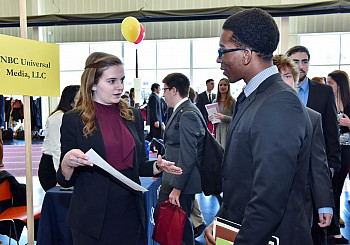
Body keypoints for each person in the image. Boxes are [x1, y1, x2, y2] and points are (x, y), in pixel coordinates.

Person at [204, 8, 313, 244]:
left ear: (245, 55)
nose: (218, 59)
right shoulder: (254, 97)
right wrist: (222, 221)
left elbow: (269, 199)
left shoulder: (279, 102)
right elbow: (242, 180)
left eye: (222, 51)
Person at [56, 52, 182, 245]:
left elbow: (138, 165)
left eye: (122, 80)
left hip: (130, 212)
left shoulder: (133, 115)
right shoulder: (74, 119)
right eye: (112, 81)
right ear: (93, 84)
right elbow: (64, 181)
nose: (120, 87)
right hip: (93, 219)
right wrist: (67, 162)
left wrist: (158, 166)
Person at [273, 54, 334, 244]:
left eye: (288, 76)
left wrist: (324, 204)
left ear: (296, 81)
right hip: (261, 202)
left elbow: (318, 163)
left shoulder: (312, 117)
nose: (283, 81)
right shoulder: (253, 114)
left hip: (299, 203)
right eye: (278, 76)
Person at [286, 45, 342, 244]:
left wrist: (333, 165)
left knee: (316, 226)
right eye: (295, 61)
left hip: (317, 167)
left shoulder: (323, 92)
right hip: (290, 171)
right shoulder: (279, 95)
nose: (300, 66)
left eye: (304, 61)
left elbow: (331, 131)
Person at [155, 73, 206, 245]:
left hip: (181, 182)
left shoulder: (187, 114)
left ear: (174, 90)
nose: (163, 94)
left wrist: (177, 188)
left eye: (165, 90)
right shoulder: (183, 111)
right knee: (179, 229)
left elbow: (188, 155)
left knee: (179, 229)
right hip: (175, 178)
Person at [38, 85, 80, 191]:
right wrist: (61, 176)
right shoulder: (57, 118)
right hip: (52, 167)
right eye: (79, 99)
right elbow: (56, 149)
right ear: (70, 102)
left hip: (68, 166)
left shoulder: (75, 117)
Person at [326, 70, 350, 243]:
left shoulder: (349, 105)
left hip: (345, 151)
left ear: (339, 85)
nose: (327, 86)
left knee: (336, 190)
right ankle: (333, 231)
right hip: (329, 151)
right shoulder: (328, 102)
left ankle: (333, 230)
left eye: (330, 83)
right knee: (330, 191)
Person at [209, 78, 236, 148]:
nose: (222, 87)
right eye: (220, 85)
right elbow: (213, 118)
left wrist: (223, 117)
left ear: (228, 87)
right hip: (217, 130)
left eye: (225, 85)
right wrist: (210, 118)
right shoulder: (215, 101)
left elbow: (236, 118)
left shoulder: (232, 101)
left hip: (227, 131)